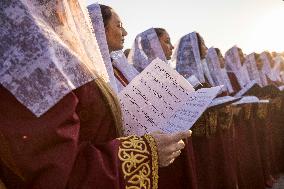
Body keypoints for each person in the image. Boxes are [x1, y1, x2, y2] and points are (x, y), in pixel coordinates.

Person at [0, 1, 191, 188]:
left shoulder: (68, 61)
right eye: (119, 26)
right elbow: (55, 173)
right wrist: (145, 151)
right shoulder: (30, 62)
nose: (73, 9)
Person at [88, 4, 198, 189]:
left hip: (148, 152)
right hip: (120, 165)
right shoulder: (90, 73)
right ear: (101, 28)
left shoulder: (120, 68)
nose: (124, 32)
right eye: (118, 25)